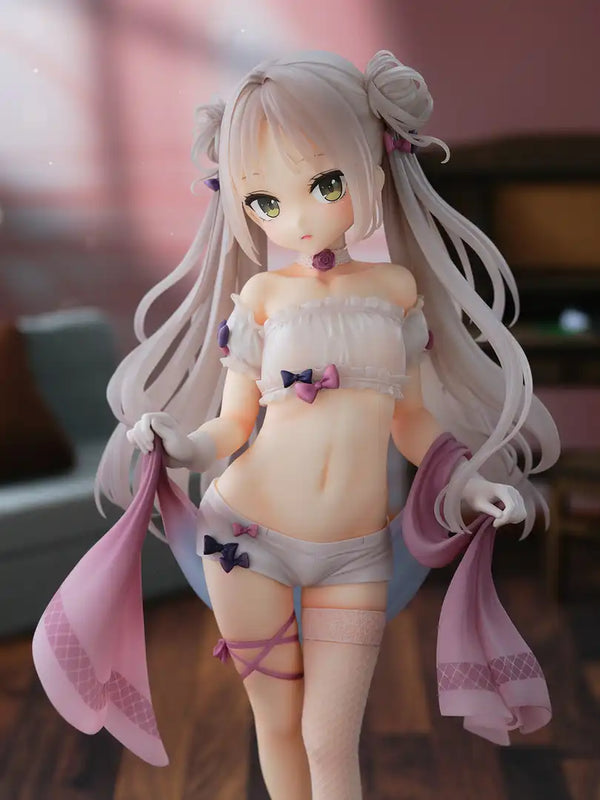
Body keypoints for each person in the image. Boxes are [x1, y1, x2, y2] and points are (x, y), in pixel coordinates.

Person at [33, 50, 560, 800]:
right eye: (265, 200)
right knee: (277, 724)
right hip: (244, 537)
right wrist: (177, 444)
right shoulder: (259, 298)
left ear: (375, 165)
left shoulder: (397, 291)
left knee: (328, 738)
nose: (299, 217)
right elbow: (229, 427)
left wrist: (470, 484)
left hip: (355, 551)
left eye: (325, 183)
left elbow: (411, 418)